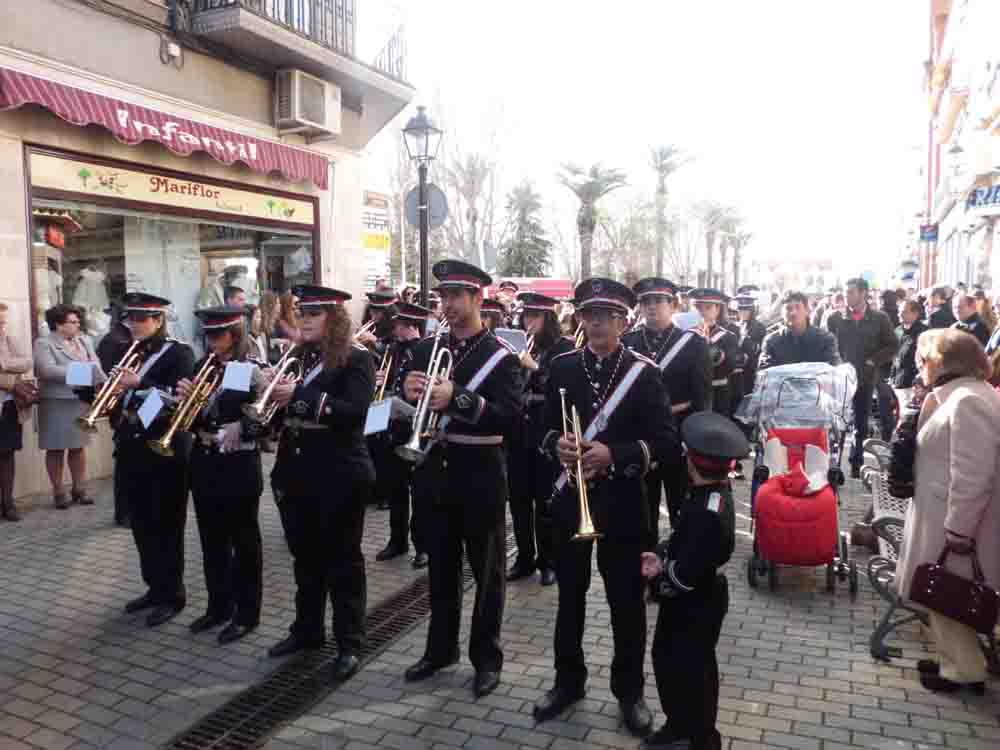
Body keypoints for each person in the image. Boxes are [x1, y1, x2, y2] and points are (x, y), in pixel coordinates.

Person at [532, 277, 676, 737]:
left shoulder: (644, 372)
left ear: (623, 321)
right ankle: (567, 682)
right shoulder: (562, 366)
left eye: (607, 316)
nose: (597, 323)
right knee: (569, 599)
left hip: (624, 504)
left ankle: (630, 693)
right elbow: (539, 426)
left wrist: (615, 454)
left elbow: (666, 442)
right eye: (589, 315)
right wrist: (555, 444)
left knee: (626, 604)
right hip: (571, 502)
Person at [401, 260, 520, 699]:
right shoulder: (424, 350)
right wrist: (406, 392)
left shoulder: (501, 356)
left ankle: (486, 658)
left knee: (487, 571)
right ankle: (440, 649)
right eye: (443, 296)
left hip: (481, 471)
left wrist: (460, 398)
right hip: (436, 469)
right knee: (441, 567)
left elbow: (511, 419)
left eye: (456, 296)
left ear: (477, 298)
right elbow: (407, 404)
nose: (447, 304)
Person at [264, 285, 373, 681]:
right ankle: (307, 629)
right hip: (296, 470)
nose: (305, 319)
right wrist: (269, 395)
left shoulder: (357, 358)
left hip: (338, 471)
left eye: (314, 313)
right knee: (305, 559)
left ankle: (350, 643)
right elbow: (285, 415)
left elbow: (355, 412)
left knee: (344, 562)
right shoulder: (298, 356)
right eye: (301, 312)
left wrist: (299, 396)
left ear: (334, 317)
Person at [895, 328, 1000, 694]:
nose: (920, 367)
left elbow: (973, 473)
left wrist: (959, 529)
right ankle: (954, 660)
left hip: (955, 523)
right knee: (943, 596)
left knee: (949, 595)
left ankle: (963, 670)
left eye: (924, 360)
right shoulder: (962, 395)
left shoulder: (968, 400)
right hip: (942, 515)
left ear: (943, 363)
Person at [640, 412, 747, 750]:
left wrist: (655, 582)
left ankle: (700, 739)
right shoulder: (709, 493)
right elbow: (680, 537)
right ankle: (679, 726)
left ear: (693, 462)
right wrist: (661, 553)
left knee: (690, 672)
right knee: (674, 663)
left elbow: (684, 577)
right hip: (698, 598)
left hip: (694, 603)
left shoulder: (707, 512)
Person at [180, 307, 266, 645]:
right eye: (208, 335)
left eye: (219, 335)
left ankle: (247, 614)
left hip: (237, 461)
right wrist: (183, 402)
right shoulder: (202, 366)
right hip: (205, 459)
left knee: (244, 543)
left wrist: (239, 425)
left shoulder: (249, 369)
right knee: (211, 540)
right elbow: (193, 418)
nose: (212, 341)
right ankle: (218, 606)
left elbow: (263, 416)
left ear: (235, 335)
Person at [115, 293, 196, 627]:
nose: (133, 324)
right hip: (132, 446)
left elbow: (176, 400)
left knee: (167, 524)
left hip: (165, 448)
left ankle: (172, 594)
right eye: (130, 318)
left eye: (141, 318)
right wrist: (98, 389)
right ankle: (154, 586)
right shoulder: (131, 350)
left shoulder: (179, 353)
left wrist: (139, 384)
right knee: (141, 522)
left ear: (158, 320)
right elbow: (124, 400)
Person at [622, 277, 711, 533]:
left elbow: (702, 398)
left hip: (678, 434)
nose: (652, 306)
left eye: (659, 300)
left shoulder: (693, 344)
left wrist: (695, 443)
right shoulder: (628, 342)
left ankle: (678, 556)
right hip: (640, 437)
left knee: (680, 507)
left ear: (673, 305)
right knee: (642, 511)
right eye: (645, 301)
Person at [507, 291, 575, 586]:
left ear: (548, 319)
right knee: (519, 500)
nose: (529, 322)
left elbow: (563, 392)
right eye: (526, 316)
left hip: (546, 432)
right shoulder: (521, 345)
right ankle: (524, 558)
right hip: (518, 433)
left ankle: (549, 561)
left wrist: (533, 367)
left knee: (546, 501)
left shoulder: (564, 348)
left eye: (535, 317)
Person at [375, 302, 431, 567]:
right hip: (392, 426)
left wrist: (402, 401)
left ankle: (423, 545)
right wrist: (379, 382)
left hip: (414, 426)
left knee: (419, 492)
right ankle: (397, 541)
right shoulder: (392, 349)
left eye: (399, 325)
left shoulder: (424, 351)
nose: (395, 330)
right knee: (395, 487)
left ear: (412, 326)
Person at [33, 304, 106, 509]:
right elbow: (45, 370)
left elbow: (96, 363)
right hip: (56, 401)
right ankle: (58, 491)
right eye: (72, 322)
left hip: (80, 400)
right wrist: (84, 373)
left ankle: (79, 488)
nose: (77, 325)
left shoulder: (84, 340)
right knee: (55, 448)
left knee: (78, 446)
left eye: (78, 321)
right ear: (58, 325)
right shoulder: (44, 343)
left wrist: (98, 377)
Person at [826, 277, 896, 477]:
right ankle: (833, 466)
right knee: (835, 424)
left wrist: (874, 360)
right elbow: (827, 345)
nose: (846, 296)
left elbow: (892, 345)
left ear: (863, 293)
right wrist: (835, 363)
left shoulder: (880, 319)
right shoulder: (835, 318)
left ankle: (856, 463)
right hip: (840, 380)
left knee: (860, 424)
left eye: (851, 292)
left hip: (865, 379)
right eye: (845, 292)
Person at [97, 302, 134, 526]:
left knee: (127, 462)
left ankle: (127, 511)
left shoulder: (124, 337)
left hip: (129, 403)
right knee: (125, 463)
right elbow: (106, 372)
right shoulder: (114, 340)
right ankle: (124, 512)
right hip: (121, 405)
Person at [0, 302, 35, 522]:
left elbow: (27, 362)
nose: (1, 326)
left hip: (9, 406)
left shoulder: (9, 339)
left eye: (3, 322)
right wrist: (10, 381)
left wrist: (4, 364)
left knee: (7, 454)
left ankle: (8, 502)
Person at [758, 291, 840, 369]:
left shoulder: (825, 340)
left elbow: (833, 370)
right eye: (788, 308)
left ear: (807, 311)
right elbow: (765, 373)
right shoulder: (772, 342)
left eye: (798, 307)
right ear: (782, 313)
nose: (793, 313)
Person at [689, 289, 739, 417]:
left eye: (708, 307)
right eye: (698, 307)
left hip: (718, 395)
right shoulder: (686, 335)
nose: (702, 311)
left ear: (717, 310)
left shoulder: (728, 337)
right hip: (692, 395)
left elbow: (730, 366)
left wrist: (707, 344)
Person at [890, 300, 928, 408]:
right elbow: (895, 356)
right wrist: (892, 377)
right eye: (899, 311)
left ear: (915, 313)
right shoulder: (897, 331)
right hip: (897, 381)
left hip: (913, 384)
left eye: (904, 312)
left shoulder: (924, 332)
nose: (899, 314)